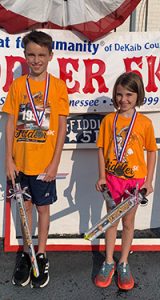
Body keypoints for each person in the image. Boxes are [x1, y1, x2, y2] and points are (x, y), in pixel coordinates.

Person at [3, 30, 69, 288]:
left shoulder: (58, 87)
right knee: (24, 208)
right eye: (31, 54)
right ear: (25, 56)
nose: (36, 59)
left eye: (42, 54)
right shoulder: (18, 86)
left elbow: (62, 127)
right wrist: (8, 159)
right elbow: (9, 123)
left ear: (50, 56)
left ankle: (40, 253)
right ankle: (27, 251)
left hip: (44, 166)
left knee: (42, 209)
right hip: (19, 164)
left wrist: (54, 163)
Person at [94, 72, 157, 290]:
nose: (123, 99)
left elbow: (151, 151)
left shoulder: (145, 123)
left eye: (129, 94)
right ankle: (109, 261)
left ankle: (123, 262)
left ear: (138, 95)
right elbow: (101, 149)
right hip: (112, 181)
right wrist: (102, 176)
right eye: (119, 94)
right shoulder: (109, 120)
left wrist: (148, 181)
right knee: (111, 221)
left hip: (134, 184)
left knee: (128, 223)